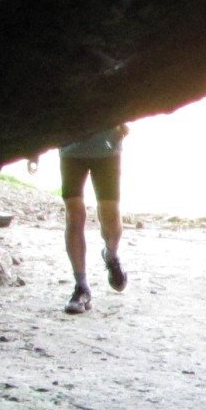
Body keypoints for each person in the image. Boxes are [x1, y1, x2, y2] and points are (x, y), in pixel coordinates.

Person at [56, 123, 129, 314]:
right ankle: (81, 287)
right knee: (74, 214)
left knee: (110, 216)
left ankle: (111, 255)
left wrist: (124, 120)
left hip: (107, 150)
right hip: (70, 149)